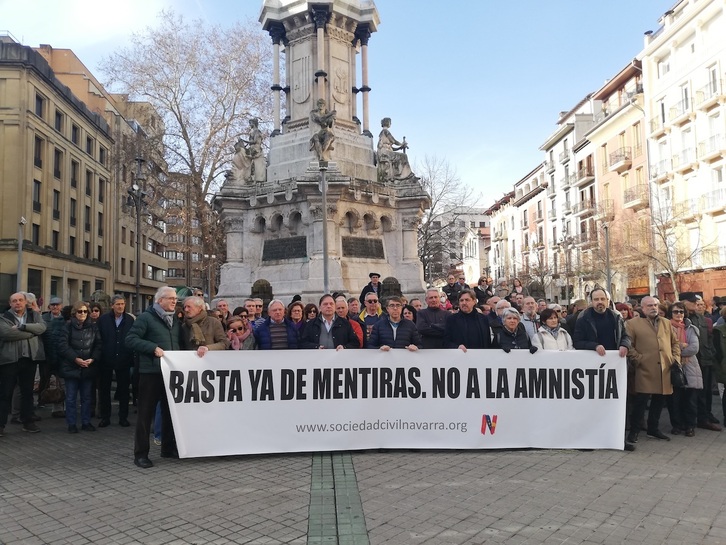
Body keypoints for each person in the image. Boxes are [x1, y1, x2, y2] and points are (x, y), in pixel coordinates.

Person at [125, 286, 182, 469]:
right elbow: (131, 339)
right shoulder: (146, 318)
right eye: (171, 298)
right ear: (160, 300)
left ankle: (168, 448)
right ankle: (141, 454)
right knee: (145, 414)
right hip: (150, 373)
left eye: (175, 299)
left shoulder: (174, 320)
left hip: (169, 372)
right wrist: (152, 348)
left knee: (169, 412)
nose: (174, 301)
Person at [572, 288, 633, 450]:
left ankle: (618, 438)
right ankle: (589, 439)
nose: (599, 302)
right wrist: (594, 346)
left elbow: (626, 336)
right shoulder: (583, 318)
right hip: (593, 369)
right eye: (596, 299)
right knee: (593, 405)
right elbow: (577, 342)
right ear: (591, 301)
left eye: (602, 299)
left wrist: (625, 345)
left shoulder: (616, 317)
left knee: (616, 405)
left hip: (615, 369)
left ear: (608, 300)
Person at [625, 296, 679, 444]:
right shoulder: (632, 324)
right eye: (649, 305)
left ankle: (653, 429)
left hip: (664, 369)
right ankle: (634, 431)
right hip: (644, 369)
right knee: (640, 402)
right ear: (642, 308)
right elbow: (628, 345)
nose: (653, 307)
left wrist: (675, 359)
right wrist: (639, 359)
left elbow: (675, 343)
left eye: (655, 305)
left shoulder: (666, 323)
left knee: (659, 401)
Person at [0, 292, 47, 435]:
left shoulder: (34, 315)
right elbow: (6, 334)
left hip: (29, 359)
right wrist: (32, 333)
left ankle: (28, 422)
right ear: (10, 303)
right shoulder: (3, 317)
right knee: (5, 393)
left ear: (25, 302)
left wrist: (22, 327)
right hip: (9, 361)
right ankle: (1, 425)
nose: (18, 303)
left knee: (28, 393)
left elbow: (42, 328)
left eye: (20, 300)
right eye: (14, 301)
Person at [680, 292, 722, 431]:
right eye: (692, 302)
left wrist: (711, 355)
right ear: (683, 302)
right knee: (691, 394)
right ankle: (689, 423)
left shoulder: (701, 319)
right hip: (689, 361)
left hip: (705, 360)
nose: (695, 304)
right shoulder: (681, 318)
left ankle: (704, 417)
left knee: (706, 392)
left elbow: (708, 339)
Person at [58, 301, 101, 433]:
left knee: (86, 397)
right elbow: (63, 346)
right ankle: (71, 424)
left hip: (88, 367)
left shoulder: (93, 327)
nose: (82, 314)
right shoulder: (67, 326)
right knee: (71, 398)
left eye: (85, 312)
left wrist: (92, 359)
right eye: (79, 311)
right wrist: (76, 359)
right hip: (71, 366)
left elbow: (98, 345)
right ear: (74, 313)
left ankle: (86, 422)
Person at [96, 295, 135, 428]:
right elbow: (99, 338)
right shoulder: (103, 320)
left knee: (124, 391)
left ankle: (123, 417)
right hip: (106, 359)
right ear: (112, 305)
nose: (120, 307)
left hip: (124, 359)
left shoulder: (130, 320)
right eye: (118, 304)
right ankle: (105, 417)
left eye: (123, 304)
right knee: (104, 390)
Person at [666, 301, 702, 437]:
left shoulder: (691, 328)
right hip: (674, 366)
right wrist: (681, 346)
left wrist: (676, 347)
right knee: (675, 400)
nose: (679, 314)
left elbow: (694, 348)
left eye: (681, 311)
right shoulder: (666, 327)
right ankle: (677, 425)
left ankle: (690, 426)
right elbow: (666, 348)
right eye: (675, 311)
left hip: (691, 367)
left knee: (690, 400)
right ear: (671, 313)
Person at [41, 297, 66, 418]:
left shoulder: (66, 319)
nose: (55, 307)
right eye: (52, 305)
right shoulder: (43, 319)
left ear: (61, 306)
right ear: (49, 306)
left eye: (57, 305)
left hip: (61, 356)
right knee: (46, 381)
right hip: (47, 355)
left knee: (61, 383)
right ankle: (42, 402)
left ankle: (58, 408)